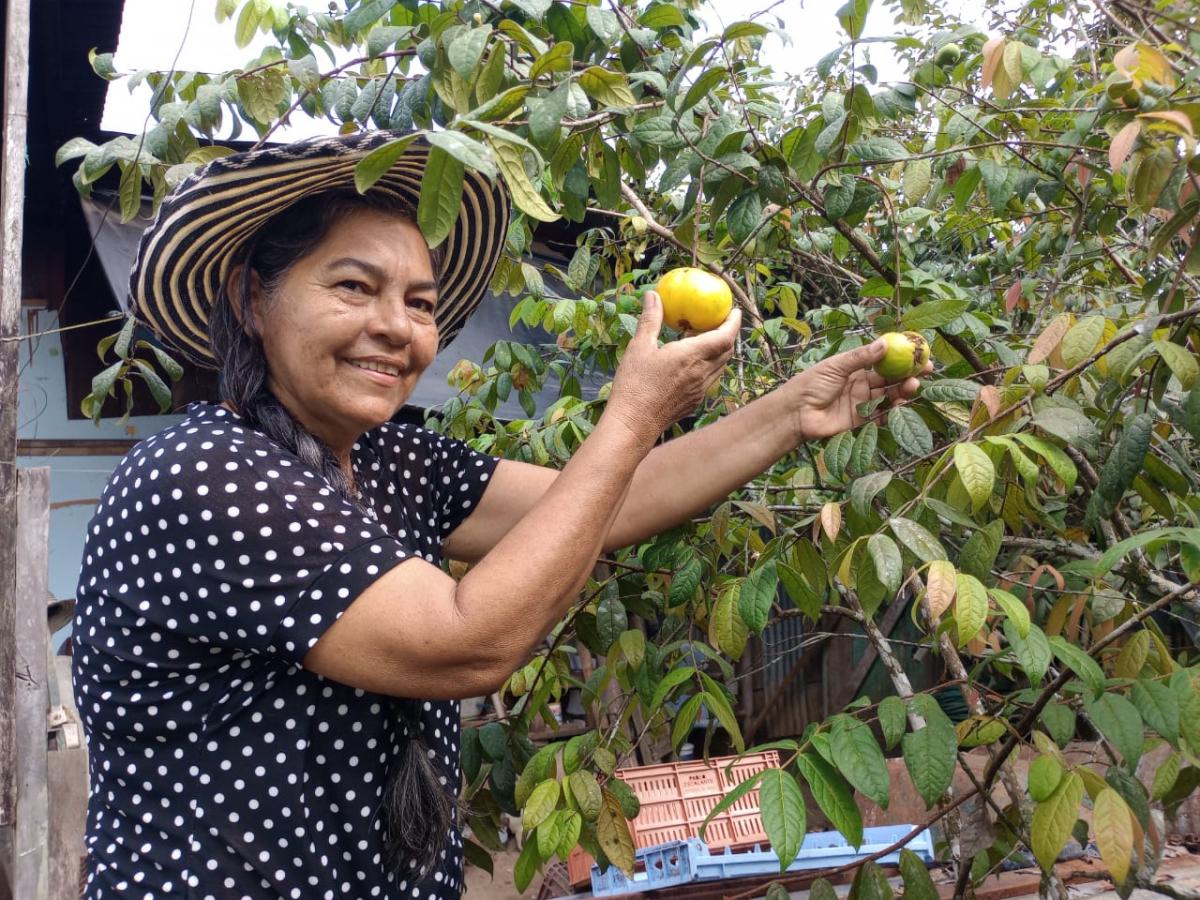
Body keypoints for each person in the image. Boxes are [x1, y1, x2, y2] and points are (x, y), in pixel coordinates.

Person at [72, 131, 928, 900]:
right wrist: (630, 413)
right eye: (353, 286)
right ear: (252, 301)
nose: (394, 327)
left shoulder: (390, 458)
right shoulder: (203, 476)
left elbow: (608, 496)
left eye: (418, 302)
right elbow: (466, 639)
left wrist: (795, 409)